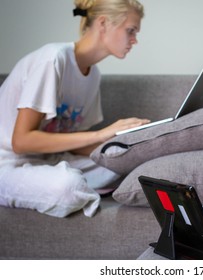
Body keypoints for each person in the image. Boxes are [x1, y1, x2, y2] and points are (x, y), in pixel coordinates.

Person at [0, 0, 150, 218]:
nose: (135, 40)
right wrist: (101, 133)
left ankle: (93, 185)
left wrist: (124, 146)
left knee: (122, 164)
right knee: (68, 186)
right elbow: (21, 142)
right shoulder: (53, 59)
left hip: (49, 160)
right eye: (131, 31)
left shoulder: (93, 75)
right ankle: (84, 191)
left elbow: (75, 142)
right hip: (8, 164)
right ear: (103, 23)